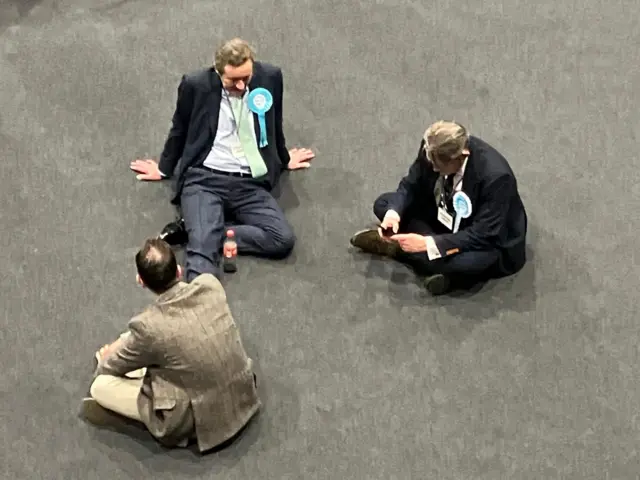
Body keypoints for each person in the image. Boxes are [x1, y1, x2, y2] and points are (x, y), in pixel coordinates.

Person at [129, 38, 315, 281]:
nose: (240, 85)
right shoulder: (195, 84)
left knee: (281, 239)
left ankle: (197, 231)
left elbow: (273, 122)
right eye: (232, 80)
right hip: (204, 179)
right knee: (202, 257)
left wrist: (284, 158)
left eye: (245, 78)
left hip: (250, 183)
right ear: (218, 71)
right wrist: (164, 168)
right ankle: (197, 298)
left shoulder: (270, 77)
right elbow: (179, 128)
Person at [81, 238, 261, 452]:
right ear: (178, 270)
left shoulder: (148, 326)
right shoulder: (210, 285)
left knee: (100, 386)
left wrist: (107, 355)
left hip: (201, 420)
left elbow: (108, 367)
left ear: (141, 281)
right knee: (146, 343)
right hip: (242, 396)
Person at [350, 121, 527, 295]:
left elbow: (483, 234)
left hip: (484, 237)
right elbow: (411, 184)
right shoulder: (433, 147)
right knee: (384, 204)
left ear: (461, 156)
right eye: (431, 161)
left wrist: (427, 244)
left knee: (470, 262)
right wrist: (393, 215)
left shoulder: (497, 177)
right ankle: (437, 266)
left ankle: (400, 250)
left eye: (439, 165)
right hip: (444, 215)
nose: (433, 168)